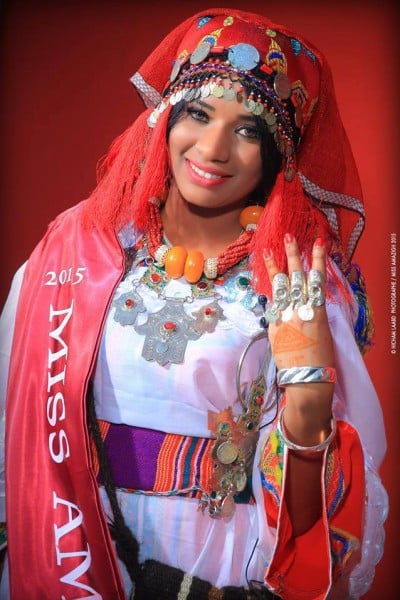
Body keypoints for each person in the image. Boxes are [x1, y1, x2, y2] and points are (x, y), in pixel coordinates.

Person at [0, 7, 388, 600]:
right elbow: (12, 421)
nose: (212, 148)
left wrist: (309, 396)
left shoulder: (298, 282)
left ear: (279, 155)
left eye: (248, 130)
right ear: (164, 119)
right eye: (198, 114)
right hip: (65, 546)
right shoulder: (77, 252)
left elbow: (320, 522)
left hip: (214, 561)